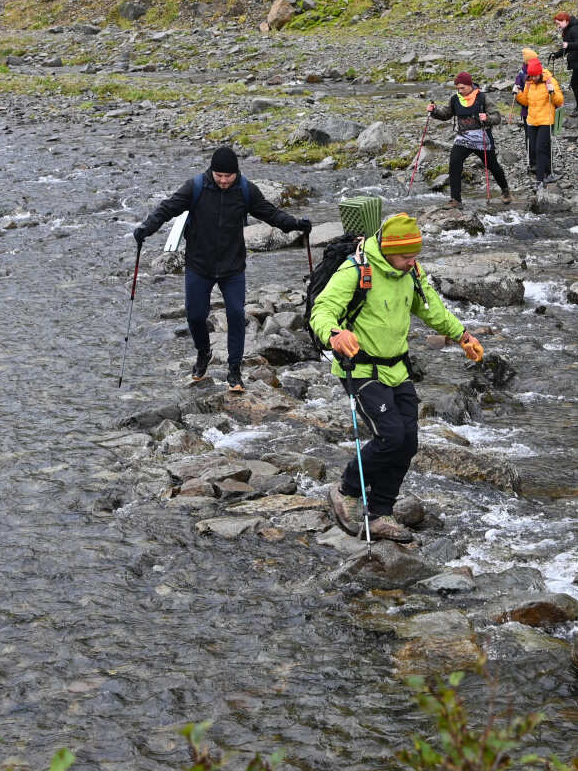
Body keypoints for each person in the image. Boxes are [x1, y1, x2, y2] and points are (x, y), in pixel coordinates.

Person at [309, 213, 485, 543]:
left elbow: (432, 309)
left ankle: (380, 513)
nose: (411, 262)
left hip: (397, 368)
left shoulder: (412, 273)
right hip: (359, 369)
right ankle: (345, 489)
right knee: (390, 436)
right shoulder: (356, 270)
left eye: (415, 255)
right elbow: (323, 309)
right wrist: (334, 333)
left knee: (408, 443)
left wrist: (463, 336)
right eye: (406, 256)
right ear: (388, 250)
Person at [132, 146, 311, 389]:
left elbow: (270, 213)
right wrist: (146, 229)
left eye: (229, 176)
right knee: (195, 316)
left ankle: (234, 370)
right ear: (212, 172)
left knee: (236, 315)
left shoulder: (246, 190)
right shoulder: (194, 187)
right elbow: (166, 209)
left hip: (232, 267)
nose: (224, 181)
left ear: (236, 173)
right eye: (219, 176)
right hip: (199, 264)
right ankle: (203, 353)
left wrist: (296, 224)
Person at [428, 72, 511, 207]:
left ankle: (505, 190)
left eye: (463, 88)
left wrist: (487, 118)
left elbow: (497, 117)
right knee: (454, 162)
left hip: (482, 138)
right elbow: (446, 114)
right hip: (463, 137)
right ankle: (456, 200)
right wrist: (434, 110)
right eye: (458, 88)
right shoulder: (455, 99)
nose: (460, 91)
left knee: (493, 166)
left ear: (470, 85)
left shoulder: (483, 98)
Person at [516, 48, 564, 189]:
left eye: (535, 76)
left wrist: (551, 91)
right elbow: (525, 101)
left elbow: (559, 101)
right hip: (532, 121)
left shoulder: (550, 81)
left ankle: (540, 180)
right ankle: (548, 173)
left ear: (540, 73)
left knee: (540, 149)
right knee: (535, 148)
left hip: (546, 120)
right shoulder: (529, 82)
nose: (533, 79)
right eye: (530, 76)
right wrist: (518, 93)